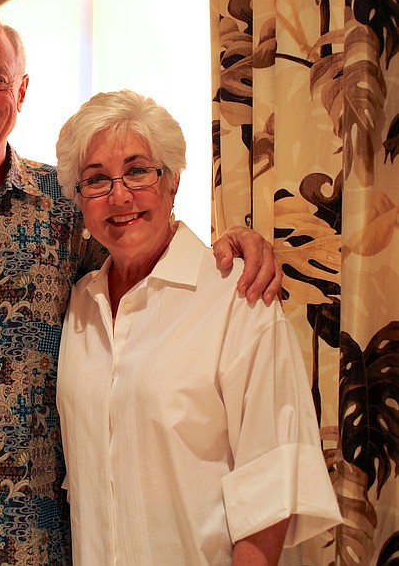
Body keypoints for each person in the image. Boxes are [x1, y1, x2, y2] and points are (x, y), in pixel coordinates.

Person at [0, 7, 282, 566]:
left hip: (44, 537)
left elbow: (149, 248)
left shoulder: (73, 204)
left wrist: (236, 241)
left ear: (20, 91)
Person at [55, 90, 342, 565]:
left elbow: (269, 482)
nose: (119, 194)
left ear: (173, 181)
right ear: (79, 201)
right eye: (96, 180)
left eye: (138, 170)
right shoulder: (79, 305)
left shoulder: (237, 296)